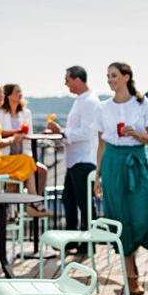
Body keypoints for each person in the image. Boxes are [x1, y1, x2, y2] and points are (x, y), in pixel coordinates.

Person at [94, 62, 148, 295]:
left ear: (126, 77)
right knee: (120, 218)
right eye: (108, 76)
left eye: (113, 76)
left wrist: (136, 133)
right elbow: (101, 144)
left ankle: (133, 266)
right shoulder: (103, 108)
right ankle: (131, 274)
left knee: (142, 216)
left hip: (136, 160)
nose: (110, 80)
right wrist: (98, 176)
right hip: (112, 162)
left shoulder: (144, 104)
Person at [0, 82, 50, 217]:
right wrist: (14, 139)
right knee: (27, 161)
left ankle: (11, 210)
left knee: (24, 163)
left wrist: (15, 134)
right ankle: (32, 203)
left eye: (2, 92)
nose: (2, 95)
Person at [47, 66, 100, 237]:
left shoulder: (90, 102)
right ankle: (72, 238)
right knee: (69, 200)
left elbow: (88, 131)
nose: (65, 84)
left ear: (77, 80)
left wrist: (61, 132)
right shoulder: (82, 100)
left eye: (67, 80)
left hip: (84, 161)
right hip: (75, 160)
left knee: (84, 204)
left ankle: (87, 241)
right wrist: (61, 133)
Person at [0, 83, 47, 195]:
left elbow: (29, 134)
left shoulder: (26, 113)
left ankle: (32, 202)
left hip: (23, 155)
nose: (20, 94)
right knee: (18, 177)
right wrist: (16, 134)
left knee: (42, 171)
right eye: (17, 92)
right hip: (6, 157)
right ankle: (27, 205)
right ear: (8, 95)